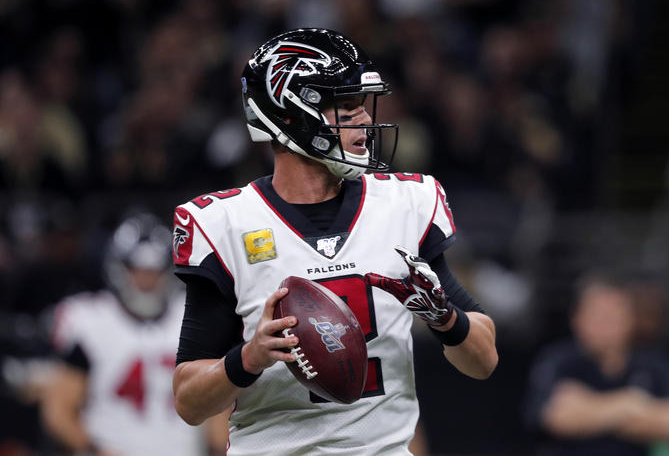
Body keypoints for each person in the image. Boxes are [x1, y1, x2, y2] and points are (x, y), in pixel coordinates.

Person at [171, 28, 498, 455]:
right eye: (345, 106)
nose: (363, 118)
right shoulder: (226, 224)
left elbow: (485, 359)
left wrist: (446, 319)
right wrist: (249, 358)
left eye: (361, 105)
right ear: (291, 115)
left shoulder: (404, 204)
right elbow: (189, 403)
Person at [42, 212, 227, 456]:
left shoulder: (192, 317)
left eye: (154, 271)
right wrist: (94, 450)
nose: (146, 281)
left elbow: (216, 407)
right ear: (118, 268)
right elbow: (58, 411)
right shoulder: (90, 321)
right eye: (138, 270)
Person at [524, 272, 669, 456]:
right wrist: (629, 404)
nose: (606, 325)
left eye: (613, 315)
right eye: (598, 315)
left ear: (630, 320)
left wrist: (587, 410)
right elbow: (554, 418)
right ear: (577, 319)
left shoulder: (659, 366)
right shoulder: (558, 361)